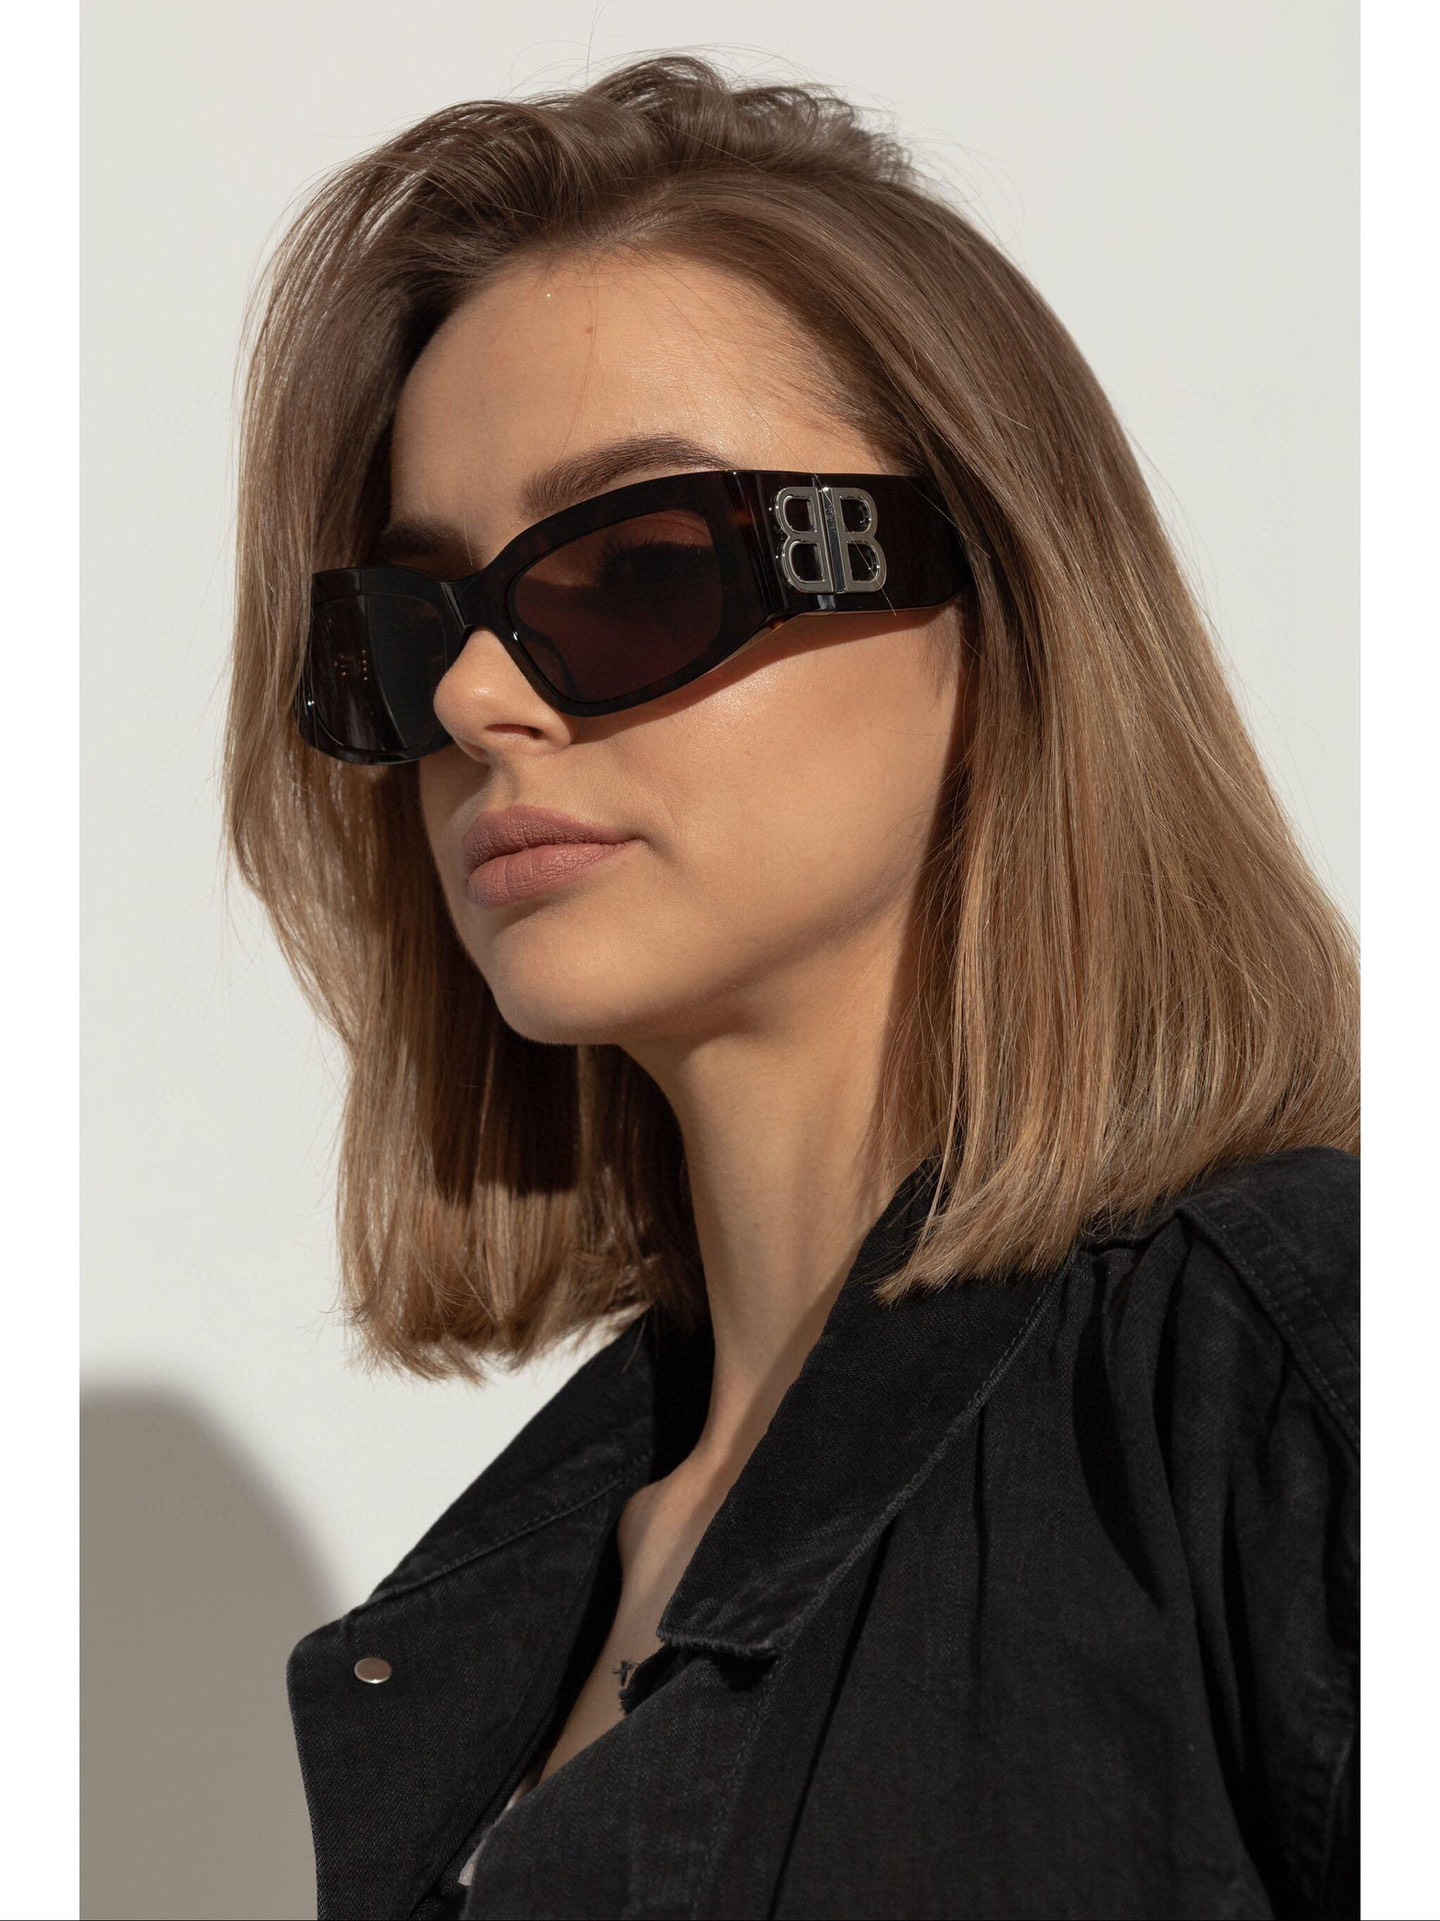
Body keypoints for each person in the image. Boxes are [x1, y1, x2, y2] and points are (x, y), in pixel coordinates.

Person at [222, 54, 1359, 1921]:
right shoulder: (518, 1605)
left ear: (994, 613)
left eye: (634, 569)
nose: (479, 700)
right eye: (412, 630)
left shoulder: (1286, 1362)